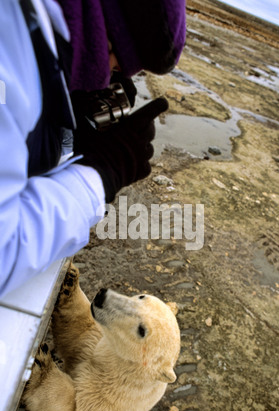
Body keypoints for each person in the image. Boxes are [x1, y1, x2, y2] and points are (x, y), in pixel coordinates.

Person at [0, 0, 186, 297]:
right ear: (100, 31)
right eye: (115, 64)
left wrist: (70, 127)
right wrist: (100, 174)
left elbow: (13, 149)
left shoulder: (26, 32)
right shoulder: (9, 62)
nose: (106, 77)